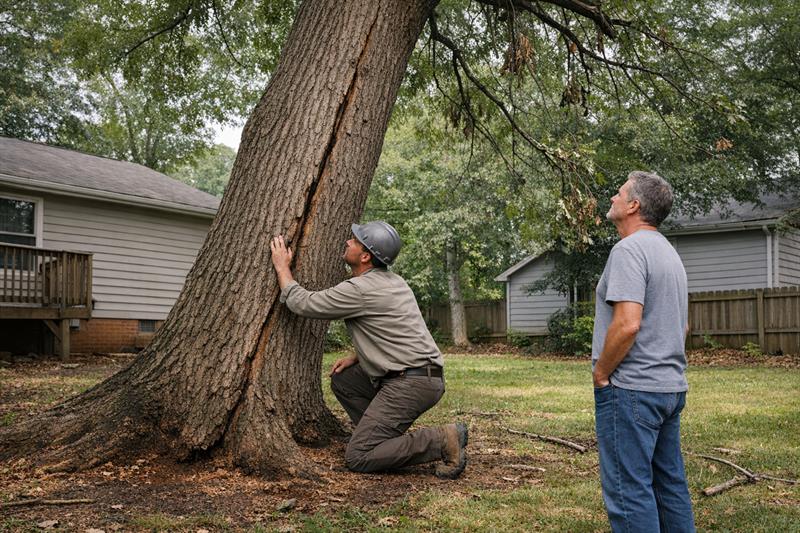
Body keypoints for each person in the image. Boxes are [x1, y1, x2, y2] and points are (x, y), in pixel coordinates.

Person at [270, 221, 468, 478]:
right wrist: (358, 356)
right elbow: (398, 330)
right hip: (424, 376)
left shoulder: (361, 289)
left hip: (409, 384)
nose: (347, 242)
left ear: (365, 256)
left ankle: (441, 439)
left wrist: (282, 267)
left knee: (359, 456)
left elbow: (304, 303)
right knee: (344, 380)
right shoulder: (394, 282)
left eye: (354, 241)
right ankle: (381, 437)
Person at [592, 171, 695, 532]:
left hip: (632, 390)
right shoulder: (669, 254)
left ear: (634, 205)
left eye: (619, 194)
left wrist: (602, 374)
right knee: (670, 486)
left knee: (628, 491)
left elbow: (627, 324)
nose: (612, 199)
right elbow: (681, 327)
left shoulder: (629, 250)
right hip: (670, 388)